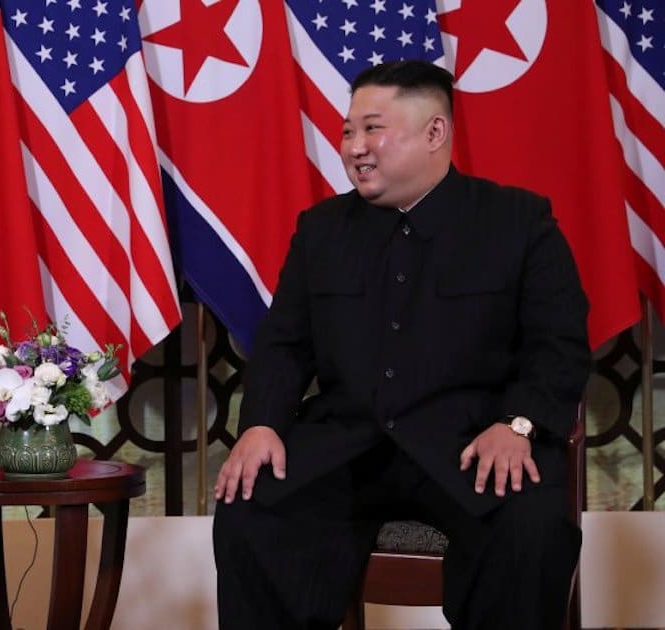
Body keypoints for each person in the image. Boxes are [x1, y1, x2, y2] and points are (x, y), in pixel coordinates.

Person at [212, 59, 589, 630]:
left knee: (530, 525)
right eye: (347, 131)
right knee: (250, 507)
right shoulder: (321, 229)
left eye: (373, 128)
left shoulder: (517, 221)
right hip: (347, 447)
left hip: (472, 445)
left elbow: (557, 344)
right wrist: (261, 423)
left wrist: (519, 424)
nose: (355, 147)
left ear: (435, 133)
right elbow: (283, 345)